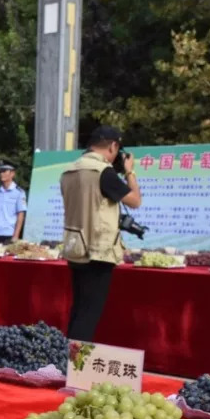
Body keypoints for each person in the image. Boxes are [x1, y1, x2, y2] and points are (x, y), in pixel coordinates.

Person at [60, 126, 142, 341]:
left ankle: (66, 361)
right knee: (89, 313)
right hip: (98, 250)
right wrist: (130, 171)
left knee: (79, 308)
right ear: (113, 146)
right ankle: (76, 367)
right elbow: (134, 200)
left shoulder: (69, 170)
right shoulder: (103, 172)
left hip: (75, 247)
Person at [0, 159, 28, 243]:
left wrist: (16, 235)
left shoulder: (19, 193)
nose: (1, 174)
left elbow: (21, 215)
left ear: (12, 173)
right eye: (0, 171)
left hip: (9, 235)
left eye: (4, 171)